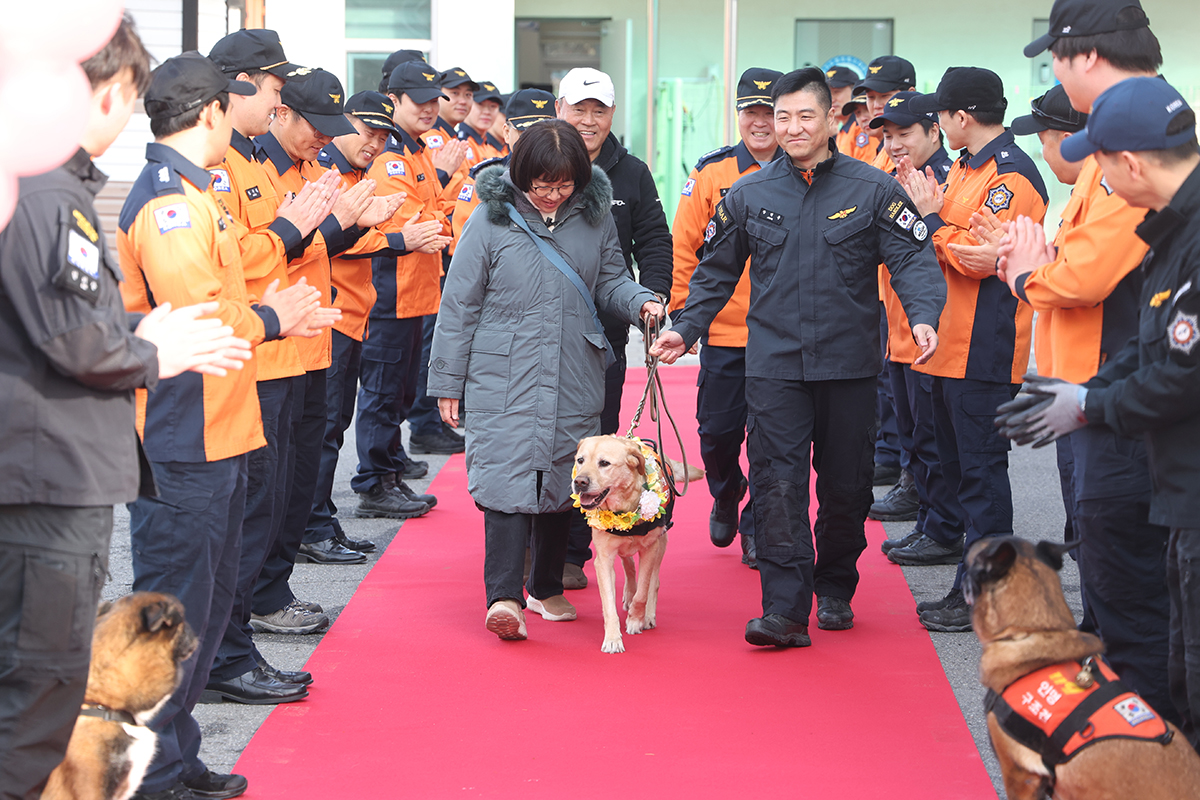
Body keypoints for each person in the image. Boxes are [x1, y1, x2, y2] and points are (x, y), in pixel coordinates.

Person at [0, 20, 253, 800]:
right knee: (39, 688)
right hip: (52, 474)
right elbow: (76, 337)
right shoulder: (49, 194)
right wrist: (151, 352)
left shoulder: (39, 186)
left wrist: (133, 334)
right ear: (102, 92)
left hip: (48, 465)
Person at [652, 68, 945, 647]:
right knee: (778, 482)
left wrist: (923, 315)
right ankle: (784, 611)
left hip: (850, 367)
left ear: (832, 119)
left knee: (846, 487)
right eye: (782, 117)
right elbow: (713, 275)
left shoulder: (873, 189)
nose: (790, 127)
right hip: (775, 367)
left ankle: (834, 586)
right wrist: (685, 330)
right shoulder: (747, 194)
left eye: (804, 116)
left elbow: (912, 261)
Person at [118, 52, 337, 800]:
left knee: (204, 606)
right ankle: (149, 771)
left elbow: (233, 270)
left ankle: (175, 759)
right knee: (173, 610)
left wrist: (284, 248)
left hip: (219, 425)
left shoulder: (193, 191)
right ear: (210, 112)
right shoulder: (168, 204)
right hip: (183, 434)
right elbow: (201, 313)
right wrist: (278, 316)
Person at [998, 76, 1200, 747]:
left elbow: (1181, 373)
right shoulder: (1171, 229)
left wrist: (1089, 402)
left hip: (1177, 464)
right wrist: (1082, 395)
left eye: (1101, 163)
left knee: (1166, 641)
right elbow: (1149, 344)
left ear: (1131, 165)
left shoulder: (1188, 235)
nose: (1094, 177)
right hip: (1171, 472)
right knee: (1166, 640)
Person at [428, 119, 663, 640]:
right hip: (501, 370)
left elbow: (609, 280)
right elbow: (460, 302)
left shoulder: (595, 216)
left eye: (563, 185)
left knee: (566, 478)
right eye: (541, 185)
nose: (553, 195)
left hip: (574, 364)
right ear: (521, 175)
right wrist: (447, 379)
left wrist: (641, 301)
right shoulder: (491, 218)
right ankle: (505, 598)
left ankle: (546, 584)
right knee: (505, 477)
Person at [203, 29, 334, 706]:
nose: (278, 101)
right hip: (243, 357)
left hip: (275, 347)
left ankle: (231, 648)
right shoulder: (217, 167)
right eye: (274, 87)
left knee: (260, 509)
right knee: (238, 519)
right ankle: (222, 654)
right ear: (241, 84)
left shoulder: (248, 160)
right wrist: (294, 231)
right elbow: (227, 267)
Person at [895, 67, 1048, 633]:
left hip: (984, 347)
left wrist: (933, 222)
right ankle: (973, 582)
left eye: (941, 114)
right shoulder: (964, 167)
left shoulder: (1013, 176)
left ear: (961, 117)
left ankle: (989, 595)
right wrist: (937, 228)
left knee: (982, 477)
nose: (937, 123)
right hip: (948, 345)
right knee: (960, 472)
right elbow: (946, 244)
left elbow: (982, 259)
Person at [251, 68, 410, 578]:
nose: (323, 137)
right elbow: (273, 251)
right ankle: (298, 550)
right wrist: (356, 227)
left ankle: (305, 540)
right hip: (281, 335)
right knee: (279, 473)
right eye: (314, 124)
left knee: (312, 449)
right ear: (281, 112)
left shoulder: (305, 170)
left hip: (317, 328)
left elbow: (313, 244)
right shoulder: (263, 170)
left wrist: (350, 222)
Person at [305, 92, 447, 556]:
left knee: (333, 424)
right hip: (329, 315)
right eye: (368, 132)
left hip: (351, 314)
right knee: (324, 429)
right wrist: (397, 238)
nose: (376, 142)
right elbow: (326, 240)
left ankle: (321, 523)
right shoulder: (327, 171)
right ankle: (315, 528)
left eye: (383, 134)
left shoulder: (356, 172)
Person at [556, 66, 674, 590]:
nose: (587, 120)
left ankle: (582, 548)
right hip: (541, 334)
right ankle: (546, 547)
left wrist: (652, 302)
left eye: (597, 110)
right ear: (559, 109)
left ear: (611, 114)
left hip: (604, 334)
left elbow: (653, 240)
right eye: (578, 109)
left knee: (599, 444)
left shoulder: (633, 172)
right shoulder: (538, 163)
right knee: (549, 442)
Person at [668, 67, 783, 568]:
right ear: (739, 115)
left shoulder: (805, 168)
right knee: (716, 432)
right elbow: (684, 247)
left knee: (773, 437)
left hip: (783, 336)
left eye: (769, 113)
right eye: (751, 112)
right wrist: (682, 315)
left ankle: (758, 522)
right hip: (724, 329)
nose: (760, 123)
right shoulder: (713, 173)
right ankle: (725, 488)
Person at [860, 93, 964, 568]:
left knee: (932, 437)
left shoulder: (944, 180)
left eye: (905, 134)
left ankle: (941, 527)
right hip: (897, 325)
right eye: (888, 135)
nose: (895, 144)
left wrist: (930, 215)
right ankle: (926, 516)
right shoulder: (893, 178)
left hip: (932, 329)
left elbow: (951, 252)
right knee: (913, 432)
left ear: (933, 131)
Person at [352, 60, 453, 514]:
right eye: (420, 99)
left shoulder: (418, 151)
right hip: (390, 294)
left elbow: (441, 207)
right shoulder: (391, 156)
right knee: (381, 392)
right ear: (394, 100)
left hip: (417, 292)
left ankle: (390, 467)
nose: (430, 108)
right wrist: (444, 217)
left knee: (400, 391)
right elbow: (410, 221)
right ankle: (374, 482)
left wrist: (442, 216)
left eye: (435, 99)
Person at [404, 65, 477, 457]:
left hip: (447, 250)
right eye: (456, 93)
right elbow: (435, 202)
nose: (463, 101)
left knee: (432, 344)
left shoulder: (453, 138)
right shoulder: (431, 142)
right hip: (437, 250)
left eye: (468, 94)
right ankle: (425, 424)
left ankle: (429, 422)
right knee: (430, 345)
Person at [450, 89, 556, 247]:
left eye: (544, 134)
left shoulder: (575, 179)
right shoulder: (483, 179)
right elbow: (468, 246)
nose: (535, 143)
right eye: (525, 134)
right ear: (507, 133)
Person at [458, 81, 507, 162]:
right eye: (480, 104)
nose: (487, 111)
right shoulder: (460, 144)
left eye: (493, 106)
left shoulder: (486, 146)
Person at [825, 65, 860, 139]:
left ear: (854, 91)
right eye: (828, 94)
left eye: (836, 92)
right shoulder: (842, 128)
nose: (832, 99)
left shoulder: (862, 127)